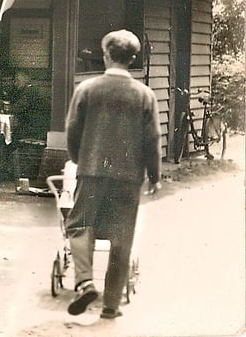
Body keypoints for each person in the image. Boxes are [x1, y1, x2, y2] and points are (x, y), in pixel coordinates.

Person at [64, 29, 161, 319]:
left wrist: (79, 159)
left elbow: (72, 128)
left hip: (91, 171)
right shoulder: (145, 95)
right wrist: (154, 177)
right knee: (121, 238)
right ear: (132, 58)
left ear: (105, 55)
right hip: (129, 177)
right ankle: (111, 306)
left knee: (79, 225)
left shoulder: (87, 89)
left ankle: (84, 282)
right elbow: (153, 139)